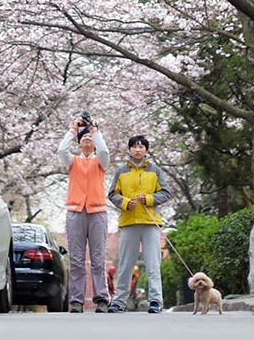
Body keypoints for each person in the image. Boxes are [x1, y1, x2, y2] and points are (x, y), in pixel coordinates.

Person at [107, 135, 171, 314]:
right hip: (129, 223)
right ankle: (119, 301)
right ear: (129, 150)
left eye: (141, 146)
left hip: (150, 223)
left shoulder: (155, 170)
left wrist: (149, 199)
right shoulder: (121, 171)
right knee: (126, 265)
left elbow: (166, 192)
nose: (137, 149)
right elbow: (112, 194)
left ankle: (156, 301)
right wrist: (126, 203)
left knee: (153, 264)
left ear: (146, 150)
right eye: (134, 146)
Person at [57, 112, 110, 313]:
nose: (87, 138)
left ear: (94, 142)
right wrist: (73, 129)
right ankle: (76, 301)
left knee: (98, 259)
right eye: (84, 137)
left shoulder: (101, 162)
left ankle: (102, 299)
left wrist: (94, 130)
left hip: (98, 213)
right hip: (75, 212)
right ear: (79, 143)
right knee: (77, 259)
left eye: (90, 137)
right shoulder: (72, 162)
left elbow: (104, 150)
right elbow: (61, 150)